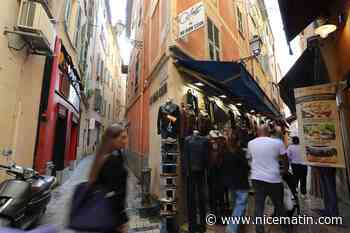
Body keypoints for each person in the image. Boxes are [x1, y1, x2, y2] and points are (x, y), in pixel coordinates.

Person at [247, 126, 290, 233]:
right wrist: (285, 170)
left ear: (257, 132)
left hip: (257, 178)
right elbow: (285, 158)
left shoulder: (251, 143)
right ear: (268, 132)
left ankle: (259, 229)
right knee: (279, 204)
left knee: (258, 205)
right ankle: (285, 228)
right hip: (274, 178)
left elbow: (250, 158)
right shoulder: (277, 142)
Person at [88, 123, 129, 233]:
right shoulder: (112, 160)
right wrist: (121, 221)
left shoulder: (106, 155)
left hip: (104, 216)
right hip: (111, 219)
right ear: (112, 140)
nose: (126, 140)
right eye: (122, 137)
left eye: (126, 137)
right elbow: (114, 193)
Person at [221, 128, 250, 233]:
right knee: (240, 205)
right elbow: (245, 167)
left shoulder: (225, 153)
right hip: (241, 183)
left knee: (235, 204)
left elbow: (223, 167)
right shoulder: (240, 152)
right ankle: (232, 228)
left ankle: (240, 222)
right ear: (238, 141)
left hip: (231, 183)